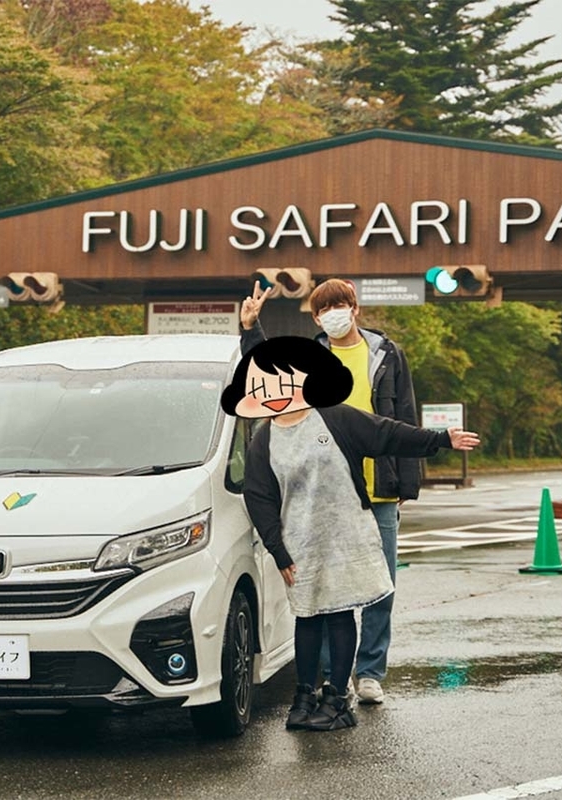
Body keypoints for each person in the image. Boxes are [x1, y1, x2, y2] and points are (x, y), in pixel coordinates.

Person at [222, 337, 479, 732]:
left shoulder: (337, 418)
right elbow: (260, 499)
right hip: (299, 544)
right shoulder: (263, 441)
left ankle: (338, 698)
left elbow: (390, 434)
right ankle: (305, 694)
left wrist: (442, 439)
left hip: (346, 537)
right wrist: (278, 551)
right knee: (306, 619)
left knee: (340, 615)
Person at [240, 277, 419, 705]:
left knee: (380, 584)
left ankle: (370, 672)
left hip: (378, 487)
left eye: (339, 306)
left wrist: (406, 484)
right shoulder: (311, 357)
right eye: (323, 310)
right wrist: (251, 329)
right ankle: (325, 675)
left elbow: (405, 417)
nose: (333, 315)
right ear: (316, 318)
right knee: (320, 588)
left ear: (354, 308)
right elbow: (269, 374)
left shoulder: (386, 354)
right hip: (323, 490)